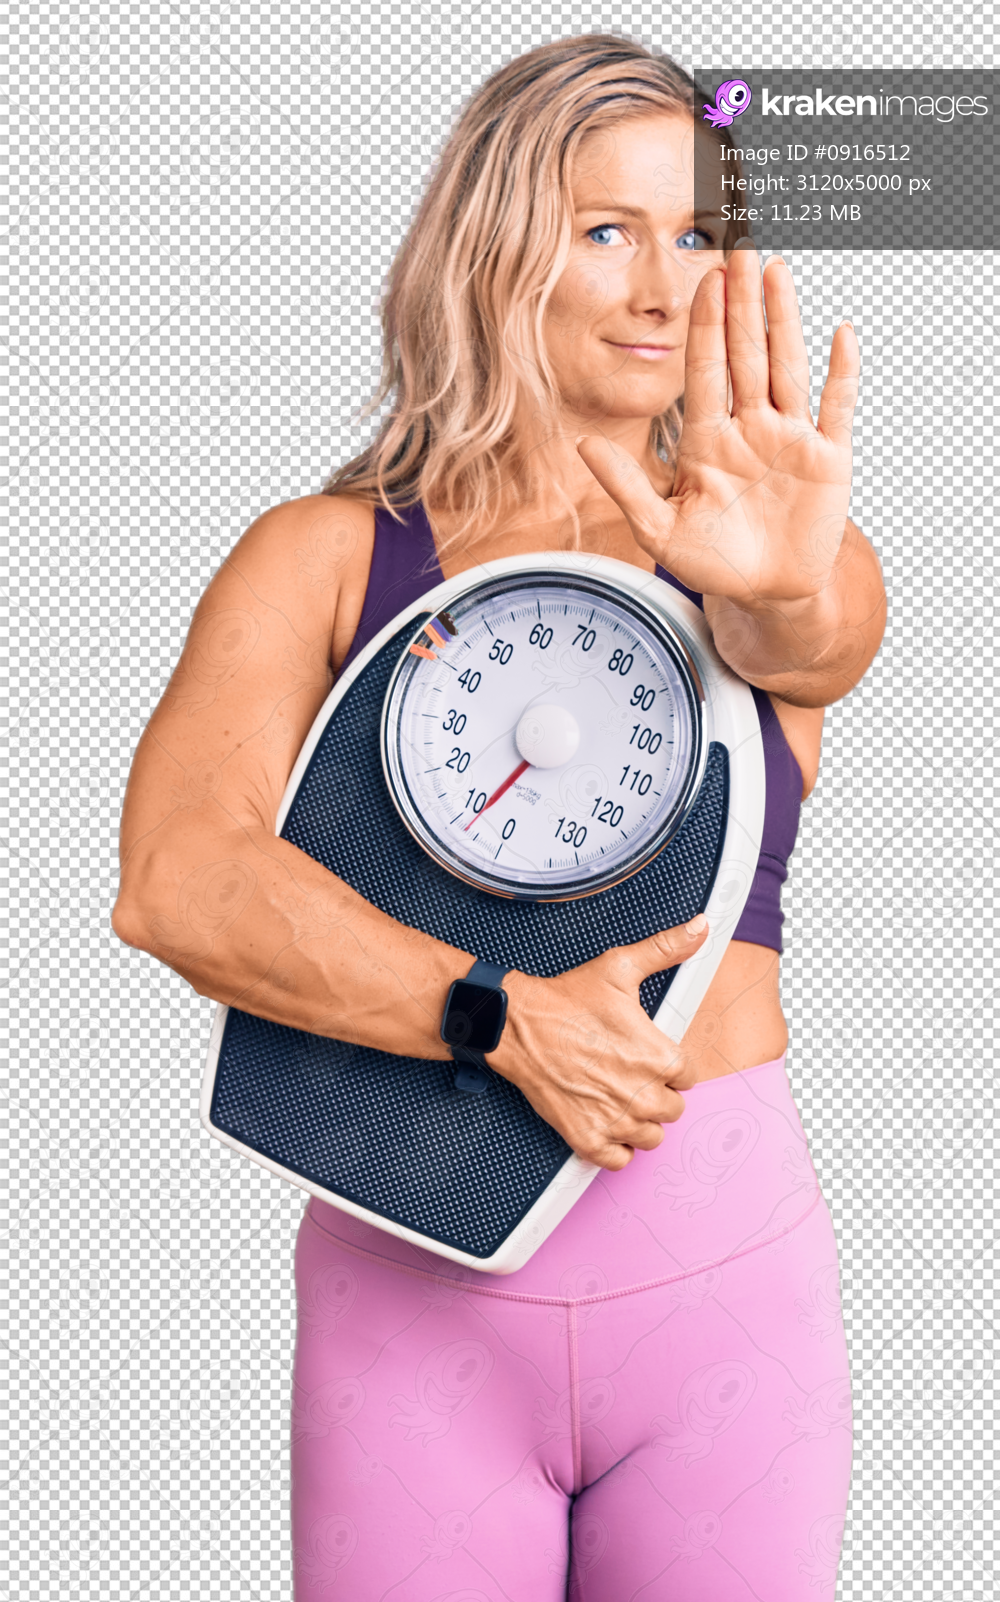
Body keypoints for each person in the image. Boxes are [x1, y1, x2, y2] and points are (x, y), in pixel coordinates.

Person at [113, 35, 886, 1602]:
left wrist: (781, 577)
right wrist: (490, 1012)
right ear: (494, 247)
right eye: (606, 230)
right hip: (415, 1293)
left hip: (722, 1299)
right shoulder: (327, 556)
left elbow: (820, 641)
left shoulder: (772, 551)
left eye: (696, 236)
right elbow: (175, 879)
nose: (665, 286)